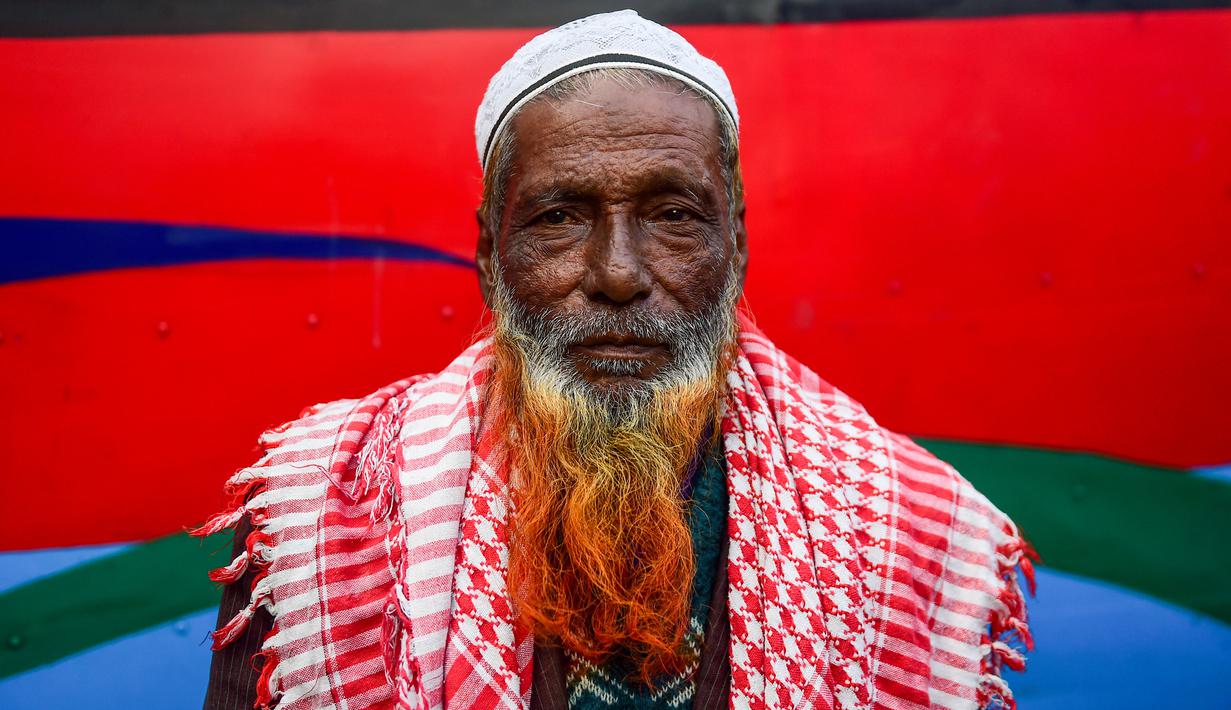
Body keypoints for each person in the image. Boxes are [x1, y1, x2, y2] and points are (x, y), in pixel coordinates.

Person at [199, 10, 1033, 710]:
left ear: (734, 246)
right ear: (489, 255)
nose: (618, 275)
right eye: (560, 218)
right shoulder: (329, 513)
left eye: (671, 214)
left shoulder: (906, 530)